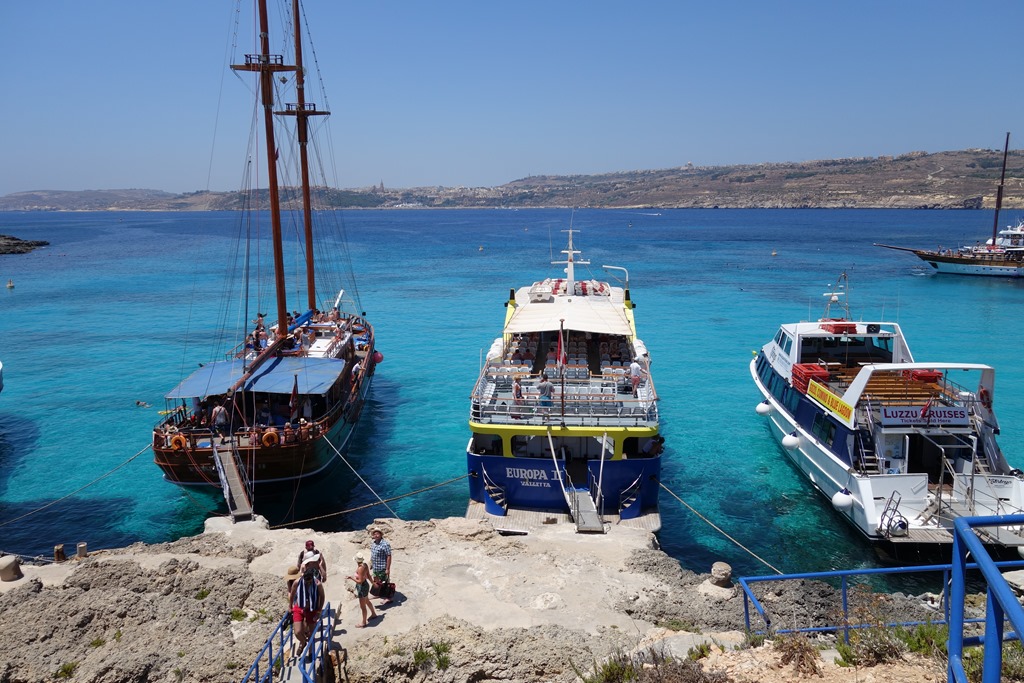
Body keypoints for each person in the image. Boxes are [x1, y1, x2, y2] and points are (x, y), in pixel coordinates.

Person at [288, 567, 325, 654]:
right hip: (299, 607)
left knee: (311, 633)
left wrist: (319, 611)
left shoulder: (318, 584)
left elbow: (322, 596)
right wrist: (290, 606)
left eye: (310, 581)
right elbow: (292, 594)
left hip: (312, 609)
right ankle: (303, 642)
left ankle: (311, 653)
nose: (308, 583)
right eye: (306, 581)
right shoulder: (297, 582)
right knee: (297, 631)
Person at [347, 552, 378, 627]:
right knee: (367, 601)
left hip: (362, 588)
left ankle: (363, 622)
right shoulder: (365, 565)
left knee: (363, 607)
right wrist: (373, 583)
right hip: (365, 585)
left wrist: (351, 578)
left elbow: (360, 581)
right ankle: (373, 614)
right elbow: (368, 576)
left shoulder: (360, 568)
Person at [369, 528, 393, 605]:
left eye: (377, 533)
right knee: (376, 581)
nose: (376, 535)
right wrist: (371, 563)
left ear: (381, 534)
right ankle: (377, 594)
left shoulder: (385, 544)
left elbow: (389, 556)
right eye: (374, 534)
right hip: (376, 567)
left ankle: (388, 598)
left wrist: (387, 568)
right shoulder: (374, 543)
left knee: (386, 583)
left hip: (382, 567)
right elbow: (373, 554)